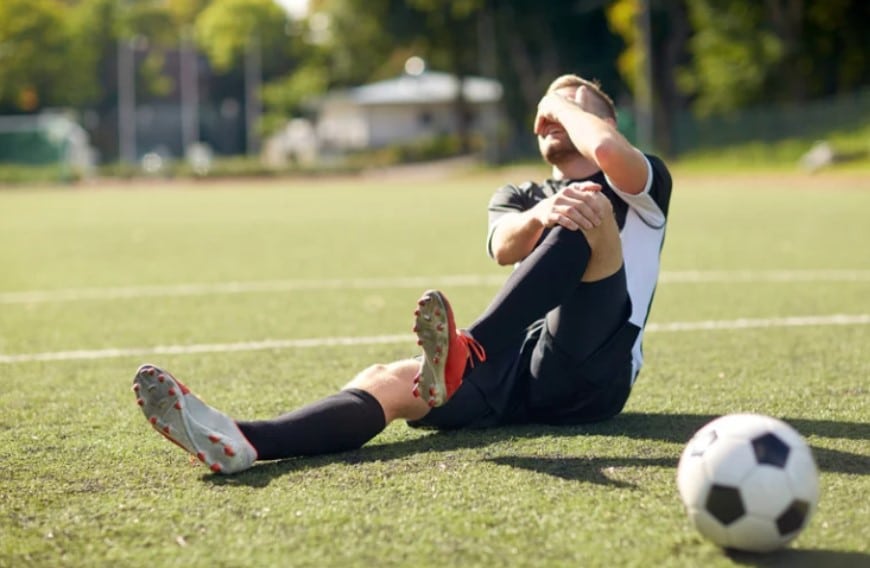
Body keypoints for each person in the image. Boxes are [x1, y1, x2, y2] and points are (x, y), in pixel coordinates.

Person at [132, 74, 672, 474]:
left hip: (595, 371)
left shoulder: (641, 183)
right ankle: (242, 440)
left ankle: (469, 349)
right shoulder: (516, 195)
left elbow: (602, 148)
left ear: (606, 121)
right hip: (518, 370)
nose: (554, 116)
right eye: (547, 112)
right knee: (388, 380)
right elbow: (505, 248)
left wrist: (558, 100)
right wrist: (540, 211)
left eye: (572, 108)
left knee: (587, 208)